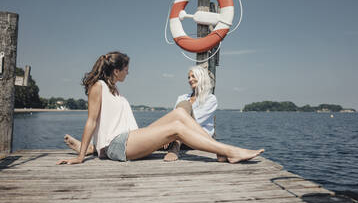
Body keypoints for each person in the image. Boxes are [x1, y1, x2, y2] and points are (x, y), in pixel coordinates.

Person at [57, 51, 264, 165]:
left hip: (130, 137)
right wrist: (80, 157)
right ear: (117, 70)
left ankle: (220, 152)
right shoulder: (98, 86)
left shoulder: (115, 90)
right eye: (126, 70)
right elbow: (92, 121)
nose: (128, 73)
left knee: (180, 113)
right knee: (176, 129)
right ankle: (230, 151)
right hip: (118, 146)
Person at [163, 65, 220, 162]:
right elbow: (173, 118)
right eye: (189, 77)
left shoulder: (210, 99)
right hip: (180, 136)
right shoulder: (182, 97)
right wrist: (165, 135)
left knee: (184, 106)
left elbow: (194, 122)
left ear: (201, 77)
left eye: (193, 76)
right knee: (153, 140)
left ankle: (175, 147)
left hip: (198, 138)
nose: (190, 79)